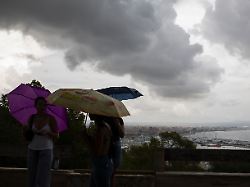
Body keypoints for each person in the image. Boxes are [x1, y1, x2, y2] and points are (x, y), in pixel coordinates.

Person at [23, 97, 58, 187]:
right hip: (32, 148)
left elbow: (57, 135)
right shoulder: (31, 118)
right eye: (40, 104)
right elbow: (26, 136)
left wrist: (48, 132)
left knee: (43, 177)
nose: (42, 107)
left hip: (46, 149)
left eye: (44, 105)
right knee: (31, 177)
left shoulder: (51, 119)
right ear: (35, 105)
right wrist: (25, 130)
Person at [81, 114, 113, 187]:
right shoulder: (105, 127)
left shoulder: (101, 130)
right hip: (103, 162)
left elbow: (97, 151)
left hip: (100, 162)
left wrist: (86, 137)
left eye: (91, 112)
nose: (89, 114)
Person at [104, 117, 124, 187]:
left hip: (115, 143)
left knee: (114, 169)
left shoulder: (119, 119)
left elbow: (122, 134)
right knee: (107, 170)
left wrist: (117, 123)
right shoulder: (104, 119)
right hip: (106, 145)